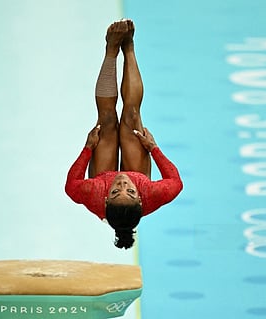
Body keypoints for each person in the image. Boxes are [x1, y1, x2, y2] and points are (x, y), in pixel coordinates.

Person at [65, 19, 183, 249]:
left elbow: (71, 184)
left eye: (116, 190)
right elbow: (176, 182)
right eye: (129, 190)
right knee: (131, 116)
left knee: (107, 121)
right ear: (139, 197)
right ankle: (128, 46)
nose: (122, 182)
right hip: (139, 173)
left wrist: (87, 149)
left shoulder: (93, 193)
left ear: (106, 197)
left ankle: (110, 50)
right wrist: (153, 148)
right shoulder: (152, 194)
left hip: (101, 174)